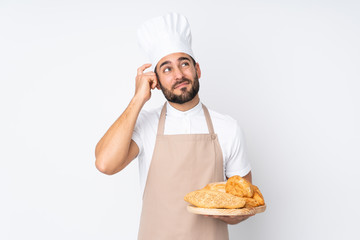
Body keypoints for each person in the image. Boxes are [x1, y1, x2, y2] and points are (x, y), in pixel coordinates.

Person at [95, 12, 253, 240]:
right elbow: (105, 164)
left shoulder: (228, 128)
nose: (179, 75)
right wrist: (138, 99)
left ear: (197, 70)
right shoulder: (144, 124)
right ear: (155, 81)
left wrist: (226, 211)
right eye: (167, 68)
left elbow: (246, 201)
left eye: (184, 64)